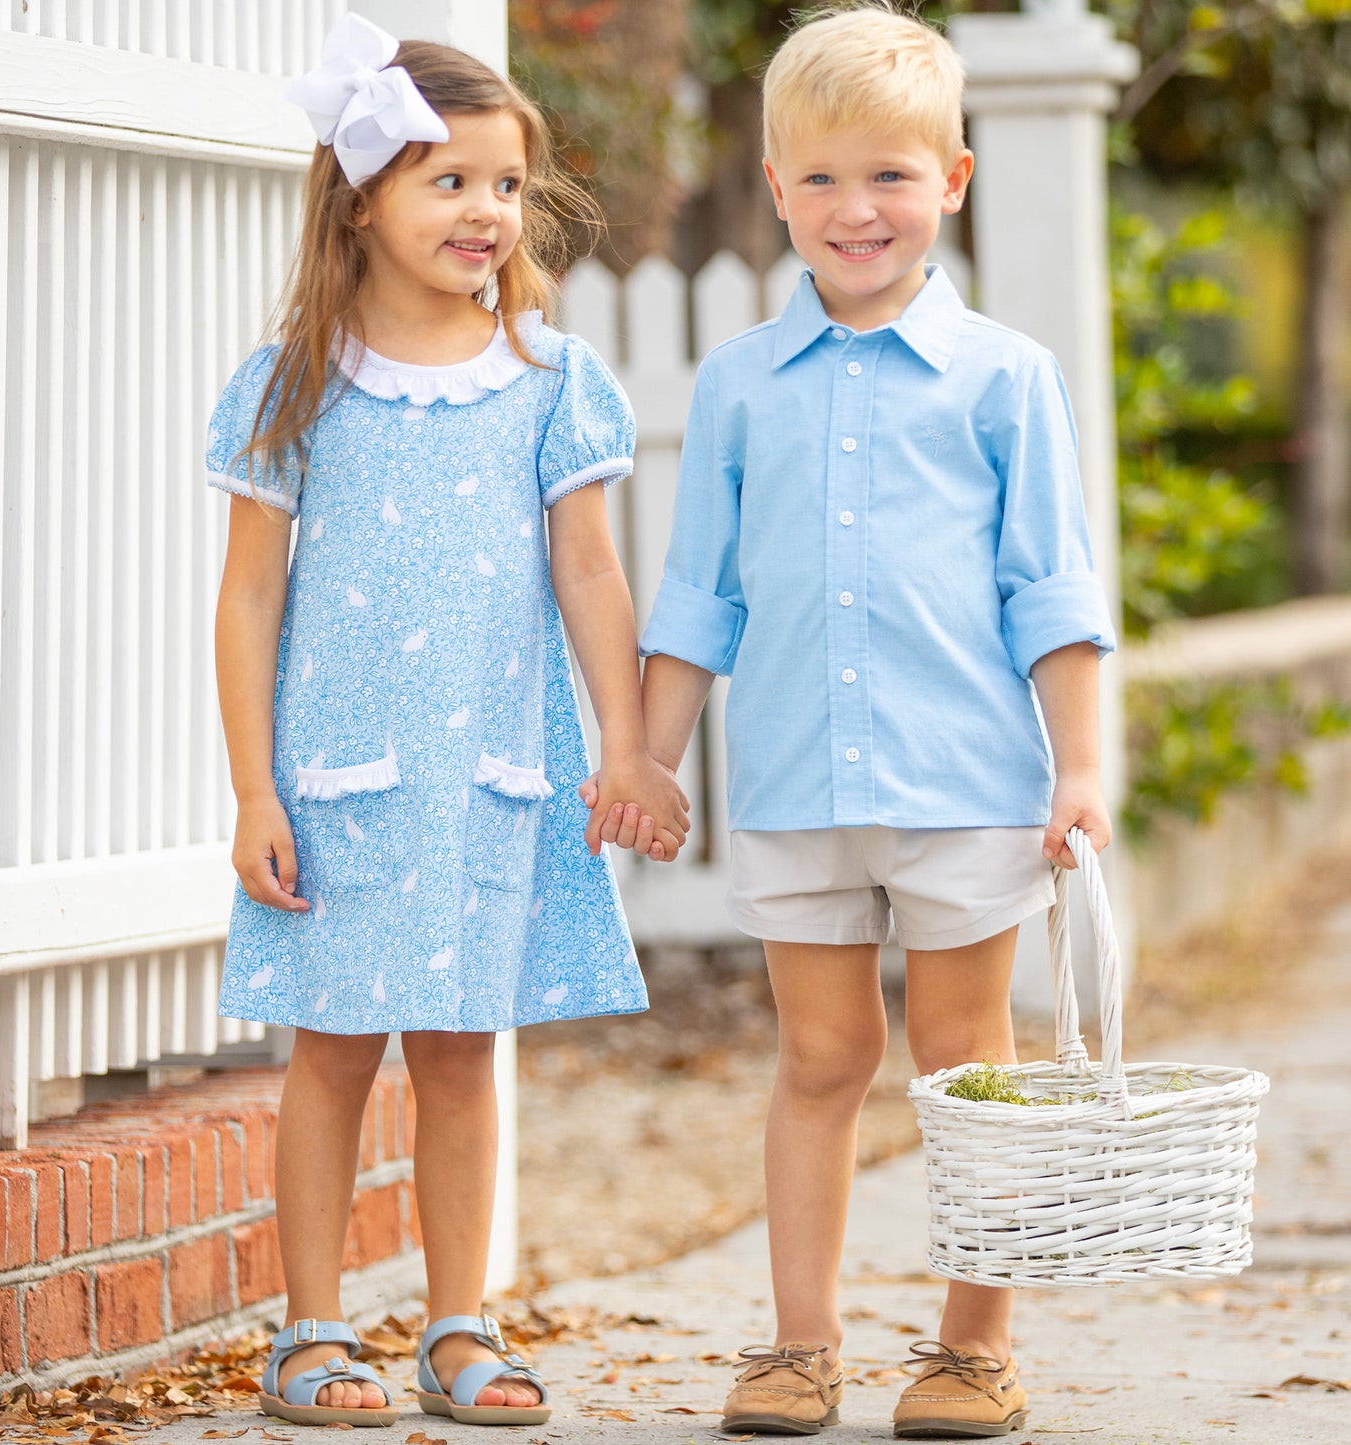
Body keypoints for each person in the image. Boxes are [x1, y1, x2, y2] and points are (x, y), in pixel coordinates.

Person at [592, 4, 1117, 1437]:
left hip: (966, 783)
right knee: (820, 1058)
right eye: (819, 177)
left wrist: (1078, 768)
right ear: (773, 188)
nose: (854, 208)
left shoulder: (1005, 376)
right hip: (795, 783)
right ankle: (798, 1343)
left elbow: (1049, 590)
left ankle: (972, 1348)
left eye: (888, 174)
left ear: (951, 179)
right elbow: (696, 591)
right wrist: (646, 752)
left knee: (964, 1064)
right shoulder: (740, 385)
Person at [209, 15, 686, 1429]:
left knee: (466, 1045)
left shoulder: (546, 376)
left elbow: (588, 567)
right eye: (449, 180)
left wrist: (623, 738)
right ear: (360, 194)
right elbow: (246, 601)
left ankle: (459, 1323)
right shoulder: (296, 383)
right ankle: (309, 1328)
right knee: (331, 1046)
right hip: (339, 779)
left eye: (504, 184)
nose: (485, 211)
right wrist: (252, 790)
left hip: (491, 773)